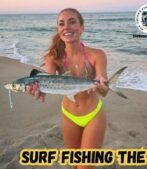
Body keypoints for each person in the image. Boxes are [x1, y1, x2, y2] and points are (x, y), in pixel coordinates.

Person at [27, 8, 108, 169]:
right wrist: (38, 89)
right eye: (61, 24)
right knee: (74, 164)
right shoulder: (53, 57)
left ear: (81, 27)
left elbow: (104, 92)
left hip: (94, 115)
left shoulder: (97, 55)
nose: (67, 27)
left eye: (72, 22)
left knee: (85, 166)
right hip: (68, 115)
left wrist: (101, 85)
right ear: (58, 29)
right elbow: (48, 81)